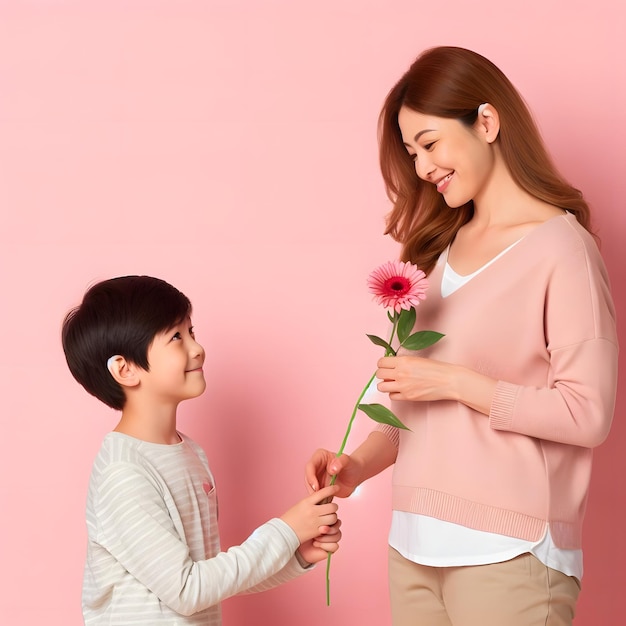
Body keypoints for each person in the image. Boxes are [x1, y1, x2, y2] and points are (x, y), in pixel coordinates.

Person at [306, 46, 618, 626]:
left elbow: (588, 413)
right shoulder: (440, 255)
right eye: (411, 152)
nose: (422, 167)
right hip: (414, 548)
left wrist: (456, 381)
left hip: (512, 552)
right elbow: (410, 415)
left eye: (429, 143)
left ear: (487, 122)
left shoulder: (563, 249)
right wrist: (356, 466)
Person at [62, 275, 341, 625]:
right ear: (126, 369)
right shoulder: (123, 473)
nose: (197, 348)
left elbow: (208, 577)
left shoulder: (190, 453)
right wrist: (285, 531)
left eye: (192, 331)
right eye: (176, 337)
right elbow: (186, 590)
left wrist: (295, 553)